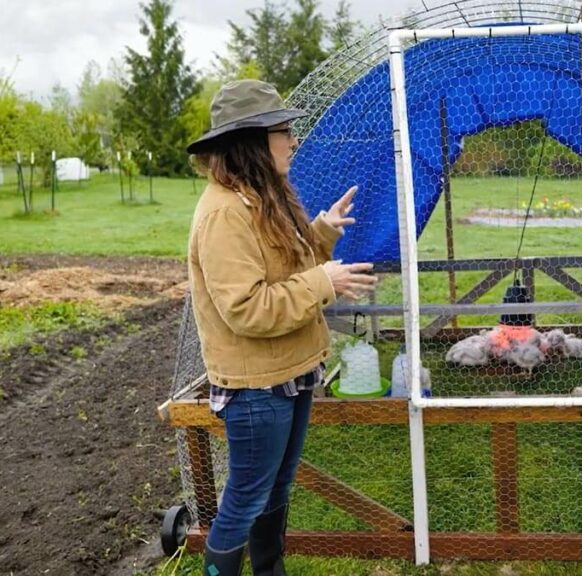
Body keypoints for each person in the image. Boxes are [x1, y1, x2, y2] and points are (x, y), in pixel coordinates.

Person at [186, 79, 378, 576]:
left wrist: (321, 234)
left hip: (290, 372)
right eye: (283, 131)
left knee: (274, 492)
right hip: (256, 388)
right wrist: (324, 280)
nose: (292, 141)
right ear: (253, 140)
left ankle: (270, 571)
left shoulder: (258, 196)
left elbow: (282, 273)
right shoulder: (224, 214)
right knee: (245, 500)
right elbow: (247, 308)